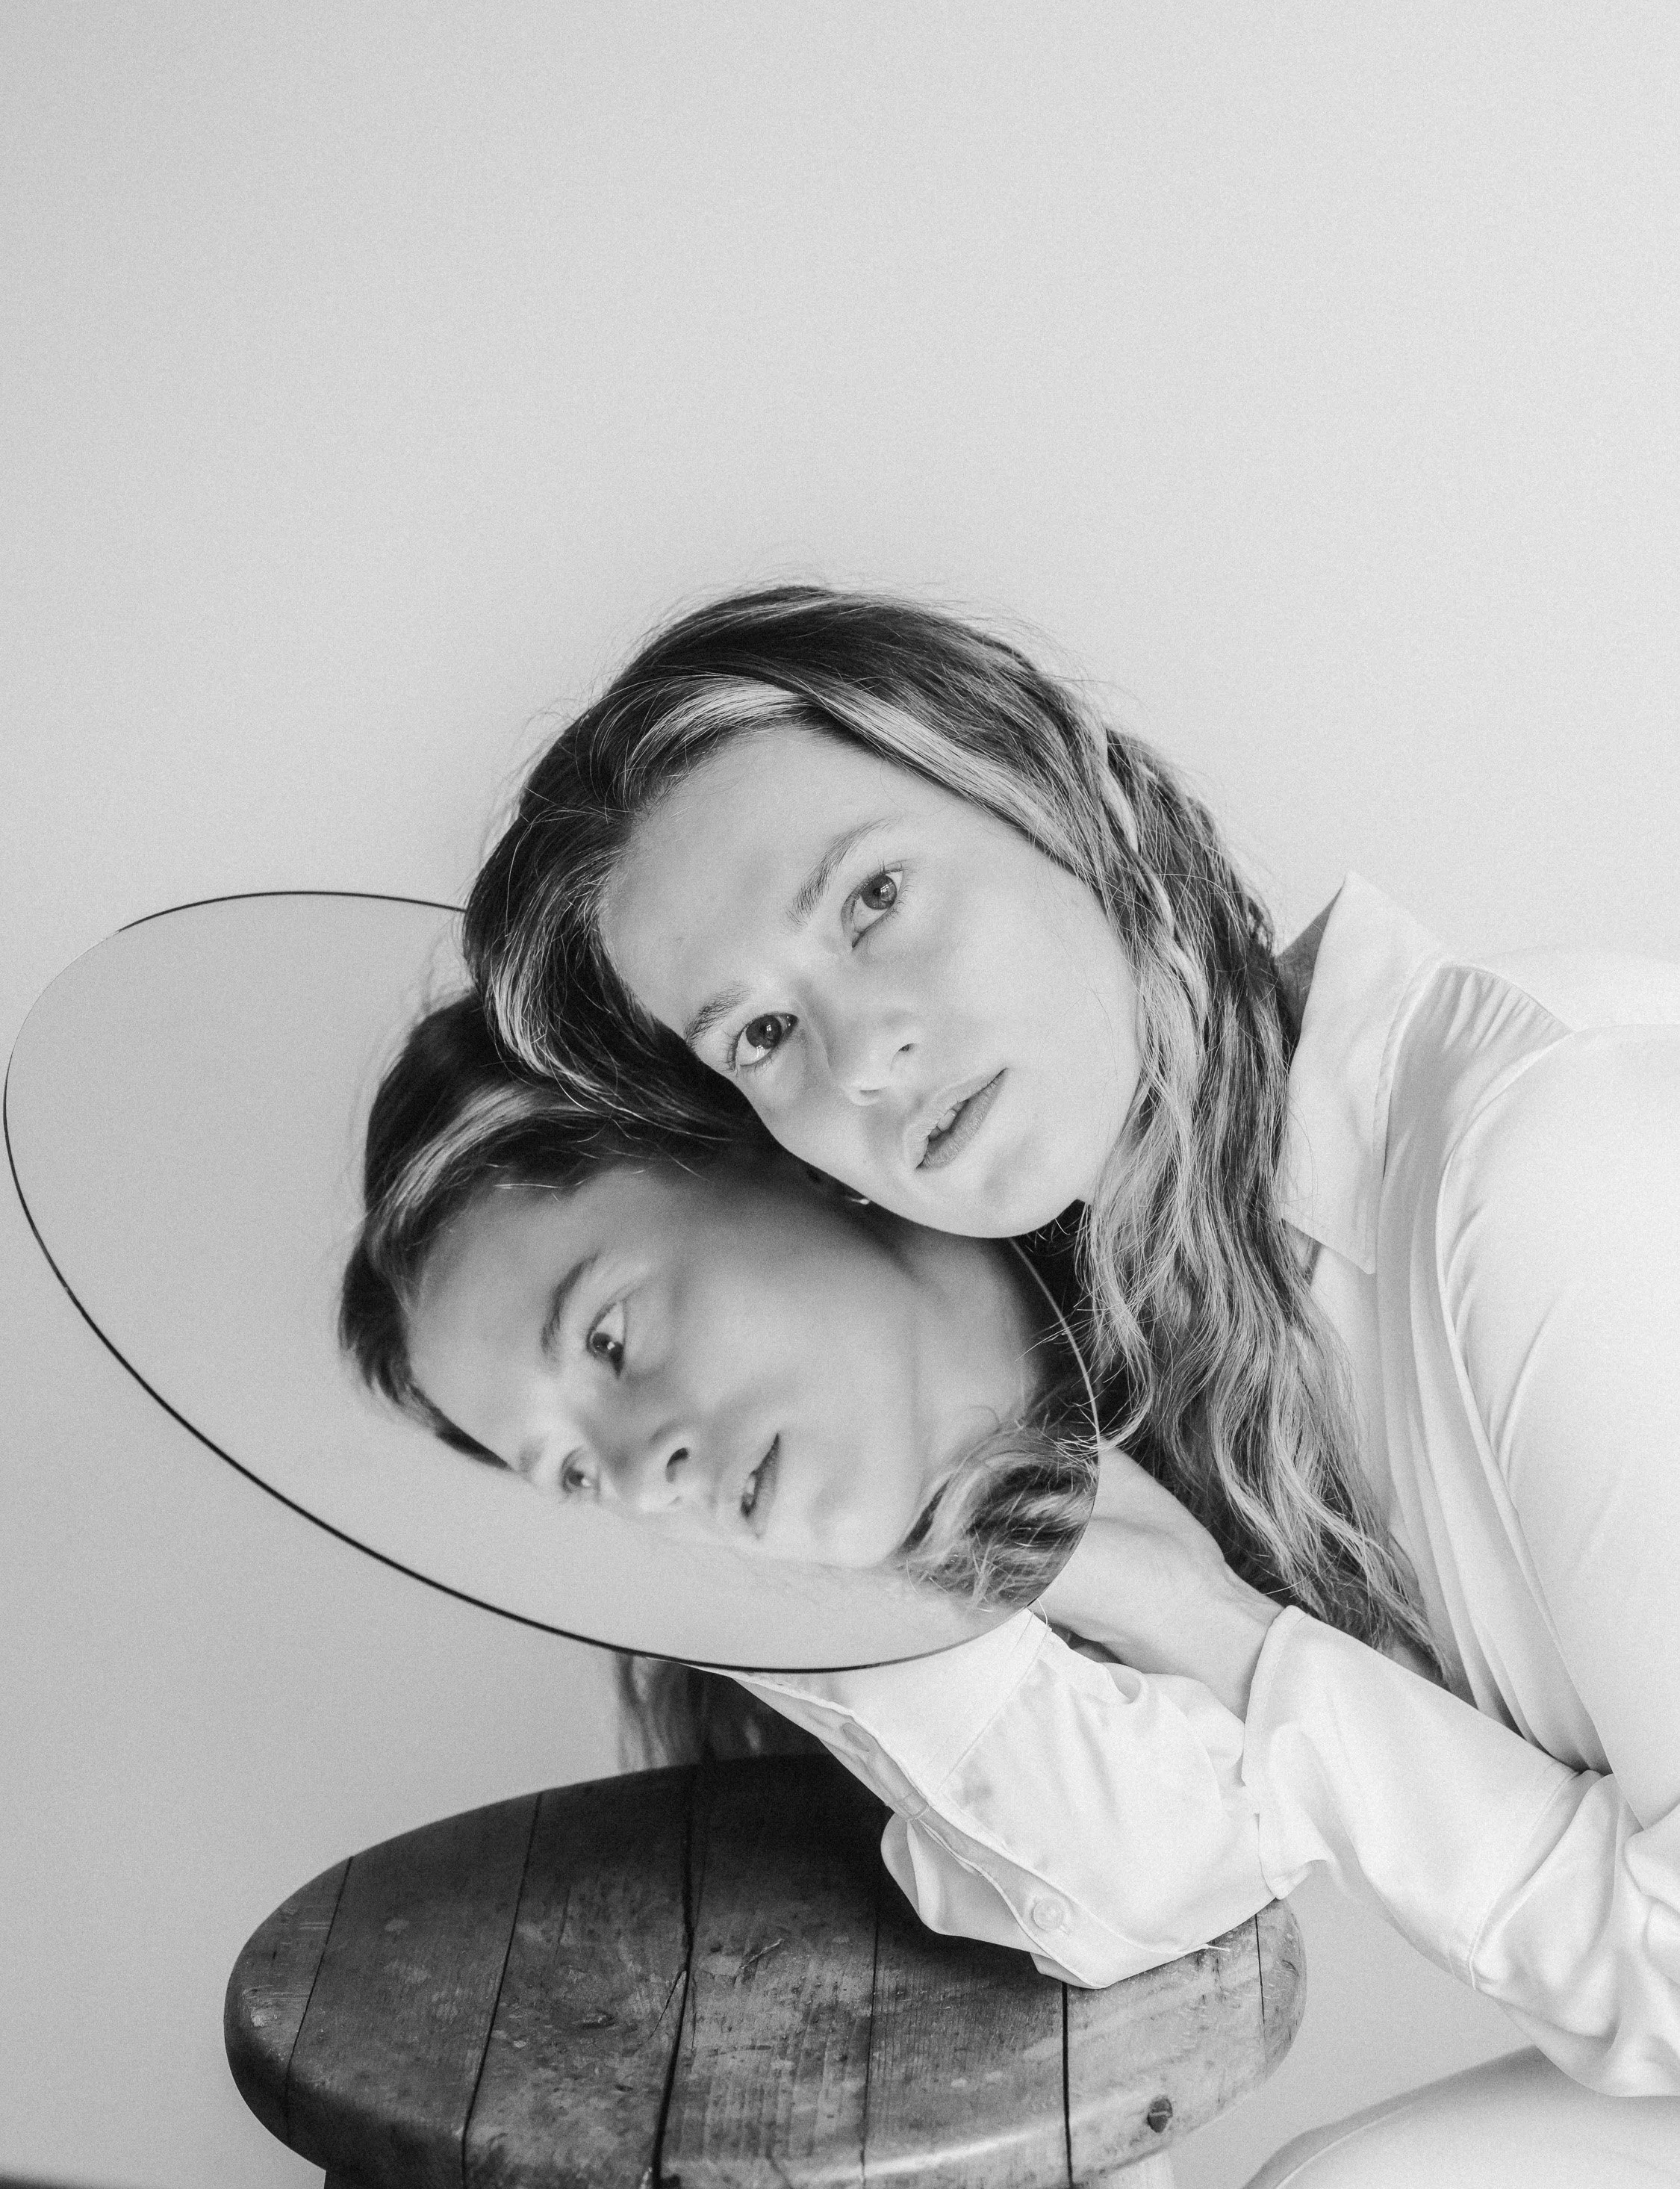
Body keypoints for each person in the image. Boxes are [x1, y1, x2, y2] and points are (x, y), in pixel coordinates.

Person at [459, 586, 1680, 2179]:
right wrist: (811, 1512)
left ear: (1059, 795)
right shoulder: (1155, 1306)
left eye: (874, 898)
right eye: (759, 1035)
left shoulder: (1541, 1172)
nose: (862, 1059)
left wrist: (1229, 1640)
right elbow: (1124, 1892)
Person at [339, 990, 1100, 1755]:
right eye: (578, 1474)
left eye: (608, 1340)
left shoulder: (1159, 1186)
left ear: (776, 1147)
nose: (642, 1484)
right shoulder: (778, 1771)